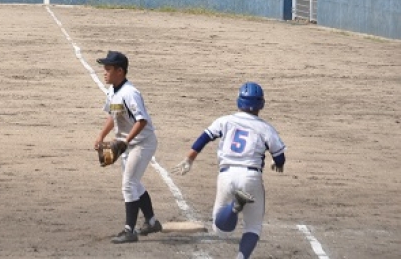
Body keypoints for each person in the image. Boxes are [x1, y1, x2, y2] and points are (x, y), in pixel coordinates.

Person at [172, 82, 286, 259]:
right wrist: (276, 163)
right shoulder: (266, 128)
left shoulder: (225, 121)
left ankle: (233, 208)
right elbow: (279, 157)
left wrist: (189, 159)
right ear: (261, 104)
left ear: (239, 101)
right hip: (251, 176)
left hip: (227, 175)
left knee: (220, 230)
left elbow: (204, 138)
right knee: (253, 226)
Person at [93, 51, 162, 244]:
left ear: (120, 71)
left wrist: (125, 141)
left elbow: (142, 121)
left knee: (129, 184)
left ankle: (129, 231)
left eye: (108, 69)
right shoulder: (113, 91)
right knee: (134, 183)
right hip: (128, 145)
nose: (104, 72)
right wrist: (101, 135)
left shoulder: (130, 93)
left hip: (142, 143)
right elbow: (112, 116)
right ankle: (152, 222)